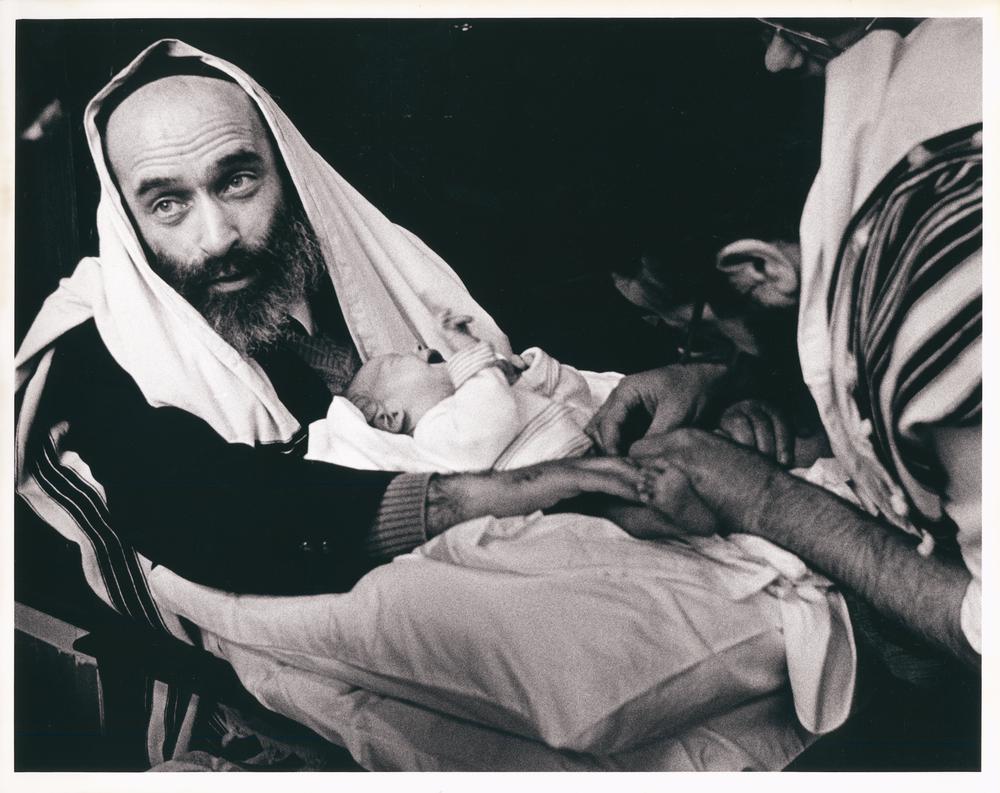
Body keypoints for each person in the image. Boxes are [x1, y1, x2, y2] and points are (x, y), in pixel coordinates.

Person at [14, 40, 644, 617]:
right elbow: (198, 507)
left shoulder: (375, 263)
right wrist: (490, 494)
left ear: (287, 170)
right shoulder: (101, 343)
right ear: (127, 222)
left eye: (238, 181)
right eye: (167, 204)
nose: (217, 237)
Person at [590, 17, 982, 680]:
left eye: (697, 333)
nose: (695, 354)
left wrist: (763, 497)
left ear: (758, 268)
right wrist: (730, 373)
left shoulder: (934, 308)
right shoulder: (950, 51)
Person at [328, 308, 597, 471]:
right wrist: (471, 352)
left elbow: (576, 393)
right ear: (391, 417)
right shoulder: (433, 435)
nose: (417, 347)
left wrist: (530, 371)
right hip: (571, 484)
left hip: (590, 453)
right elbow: (492, 418)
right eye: (396, 361)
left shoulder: (481, 396)